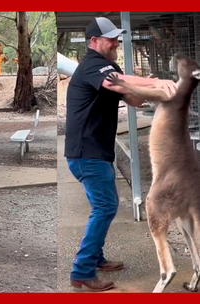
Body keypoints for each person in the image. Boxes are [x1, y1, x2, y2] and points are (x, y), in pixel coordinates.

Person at [65, 17, 178, 291]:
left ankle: (96, 257)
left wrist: (147, 89)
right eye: (110, 38)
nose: (116, 42)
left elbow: (132, 98)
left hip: (96, 152)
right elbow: (117, 83)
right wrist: (158, 82)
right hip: (86, 153)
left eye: (117, 38)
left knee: (104, 206)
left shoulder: (108, 67)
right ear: (93, 42)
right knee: (105, 207)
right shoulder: (93, 65)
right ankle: (81, 271)